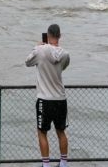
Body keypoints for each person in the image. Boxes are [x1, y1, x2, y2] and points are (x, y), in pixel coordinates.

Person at [25, 24, 70, 167]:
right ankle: (63, 163)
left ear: (47, 35)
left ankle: (46, 164)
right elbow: (63, 67)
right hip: (60, 98)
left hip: (44, 98)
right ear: (60, 36)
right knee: (61, 131)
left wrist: (36, 46)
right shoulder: (65, 54)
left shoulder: (40, 50)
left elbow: (28, 62)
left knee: (42, 132)